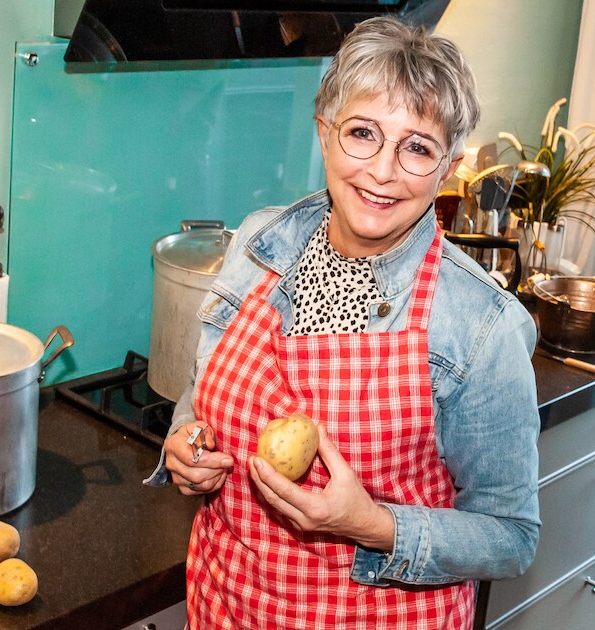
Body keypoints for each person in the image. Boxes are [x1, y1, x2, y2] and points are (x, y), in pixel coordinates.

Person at [143, 16, 541, 629]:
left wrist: (373, 526)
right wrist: (187, 442)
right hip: (226, 606)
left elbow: (512, 537)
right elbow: (201, 397)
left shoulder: (479, 325)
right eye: (363, 133)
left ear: (447, 167)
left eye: (417, 147)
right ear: (324, 133)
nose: (383, 170)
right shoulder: (258, 244)